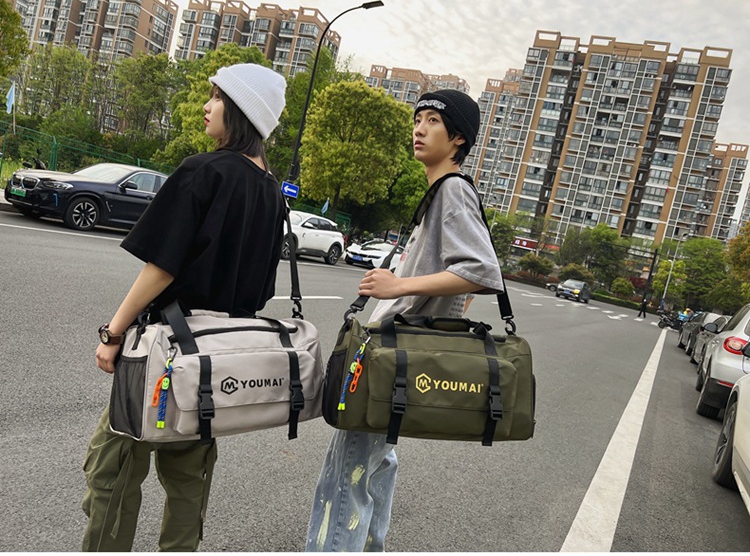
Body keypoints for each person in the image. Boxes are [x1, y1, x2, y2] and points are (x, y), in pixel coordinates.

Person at [81, 63, 287, 552]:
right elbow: (260, 291)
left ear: (240, 110)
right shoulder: (272, 193)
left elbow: (161, 268)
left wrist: (114, 332)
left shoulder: (205, 171)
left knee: (113, 469)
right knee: (189, 481)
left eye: (216, 97)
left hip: (161, 350)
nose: (206, 106)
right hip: (214, 358)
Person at [305, 89, 504, 551]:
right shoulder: (442, 192)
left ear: (458, 138)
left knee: (347, 473)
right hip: (401, 355)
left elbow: (480, 272)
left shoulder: (453, 190)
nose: (419, 128)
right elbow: (463, 280)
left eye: (433, 121)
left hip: (393, 357)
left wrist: (399, 287)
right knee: (375, 463)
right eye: (418, 119)